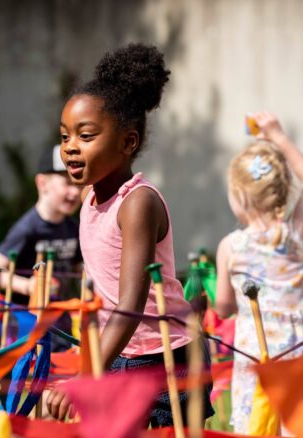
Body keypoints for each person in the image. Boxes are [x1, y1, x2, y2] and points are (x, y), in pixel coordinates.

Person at [45, 43, 214, 427]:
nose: (70, 147)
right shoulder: (89, 199)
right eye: (65, 136)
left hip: (169, 359)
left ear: (127, 142)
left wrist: (85, 375)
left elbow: (131, 304)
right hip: (123, 351)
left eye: (86, 136)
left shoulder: (137, 203)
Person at [215, 112, 303, 434]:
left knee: (259, 425)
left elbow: (224, 306)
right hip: (301, 347)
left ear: (241, 196)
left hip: (257, 349)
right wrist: (279, 136)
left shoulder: (230, 246)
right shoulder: (295, 234)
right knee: (300, 425)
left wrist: (226, 303)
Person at [0, 145, 82, 346]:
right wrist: (29, 286)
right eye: (67, 183)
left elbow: (80, 269)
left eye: (78, 183)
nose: (75, 192)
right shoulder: (27, 229)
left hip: (58, 320)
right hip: (23, 324)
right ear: (42, 183)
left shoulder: (74, 228)